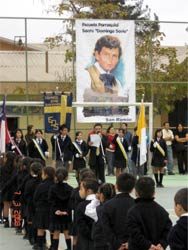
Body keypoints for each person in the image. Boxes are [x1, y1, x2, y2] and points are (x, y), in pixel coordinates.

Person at [126, 177, 172, 250]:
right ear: (154, 193)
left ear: (136, 193)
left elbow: (134, 233)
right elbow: (168, 230)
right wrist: (162, 244)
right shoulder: (162, 211)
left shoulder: (132, 212)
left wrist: (149, 246)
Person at [102, 173, 136, 250]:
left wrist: (117, 245)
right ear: (133, 188)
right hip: (133, 245)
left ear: (116, 186)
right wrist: (129, 243)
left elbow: (106, 229)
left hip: (114, 246)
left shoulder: (107, 205)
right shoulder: (137, 205)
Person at [70, 168, 96, 250]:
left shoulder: (77, 192)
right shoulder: (97, 199)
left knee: (77, 239)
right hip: (93, 232)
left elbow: (71, 205)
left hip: (81, 225)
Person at [85, 183, 116, 250]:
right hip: (115, 241)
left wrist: (96, 199)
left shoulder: (100, 210)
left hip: (101, 242)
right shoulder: (116, 206)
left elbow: (88, 210)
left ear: (101, 195)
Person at [48, 167, 73, 250]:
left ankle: (54, 248)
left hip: (56, 214)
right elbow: (71, 203)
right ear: (67, 177)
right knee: (67, 232)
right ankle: (69, 248)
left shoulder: (52, 188)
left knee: (56, 233)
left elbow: (51, 201)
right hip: (67, 214)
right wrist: (66, 211)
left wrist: (56, 210)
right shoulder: (70, 189)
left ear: (56, 176)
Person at [33, 166, 55, 250]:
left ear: (45, 175)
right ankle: (53, 246)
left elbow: (35, 197)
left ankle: (40, 245)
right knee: (52, 229)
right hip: (51, 209)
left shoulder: (41, 186)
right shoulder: (54, 185)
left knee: (40, 228)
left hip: (41, 209)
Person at [76, 178, 99, 250]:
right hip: (99, 240)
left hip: (84, 242)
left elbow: (81, 225)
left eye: (81, 189)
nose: (79, 191)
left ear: (88, 191)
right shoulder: (101, 203)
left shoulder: (81, 205)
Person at [24, 162, 42, 246]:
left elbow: (26, 194)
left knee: (31, 220)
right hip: (40, 204)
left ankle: (31, 237)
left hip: (30, 203)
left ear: (31, 171)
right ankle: (40, 239)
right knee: (39, 222)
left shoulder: (29, 182)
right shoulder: (41, 181)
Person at [0, 152, 17, 227]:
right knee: (13, 206)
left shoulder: (2, 168)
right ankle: (13, 222)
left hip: (5, 188)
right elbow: (14, 179)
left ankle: (6, 221)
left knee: (6, 205)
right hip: (13, 188)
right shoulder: (15, 168)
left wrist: (2, 187)